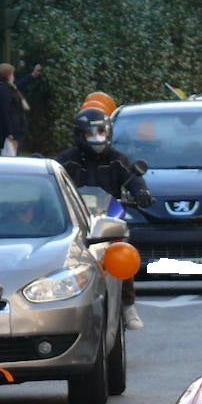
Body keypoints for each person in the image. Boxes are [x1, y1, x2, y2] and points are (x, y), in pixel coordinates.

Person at [55, 107, 153, 329]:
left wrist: (142, 193)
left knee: (121, 249)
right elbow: (53, 182)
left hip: (108, 218)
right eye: (91, 133)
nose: (97, 138)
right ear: (80, 135)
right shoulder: (66, 161)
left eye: (101, 132)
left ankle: (128, 305)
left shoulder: (118, 160)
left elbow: (133, 178)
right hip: (76, 219)